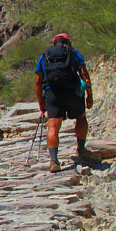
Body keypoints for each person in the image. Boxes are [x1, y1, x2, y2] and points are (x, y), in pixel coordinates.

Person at [35, 33, 94, 173]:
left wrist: (41, 102)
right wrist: (89, 95)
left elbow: (38, 81)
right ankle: (81, 149)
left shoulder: (45, 56)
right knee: (80, 118)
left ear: (54, 43)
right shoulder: (74, 53)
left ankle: (54, 160)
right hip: (73, 92)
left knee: (53, 126)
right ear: (68, 42)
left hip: (53, 94)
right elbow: (84, 74)